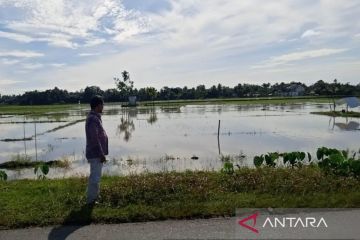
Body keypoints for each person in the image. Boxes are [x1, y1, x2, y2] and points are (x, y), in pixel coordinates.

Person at [85, 95, 108, 204]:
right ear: (98, 106)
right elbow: (94, 139)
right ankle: (91, 200)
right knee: (95, 177)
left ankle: (94, 197)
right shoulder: (93, 119)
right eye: (102, 105)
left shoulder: (94, 117)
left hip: (95, 153)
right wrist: (101, 154)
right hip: (95, 154)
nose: (103, 107)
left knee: (95, 176)